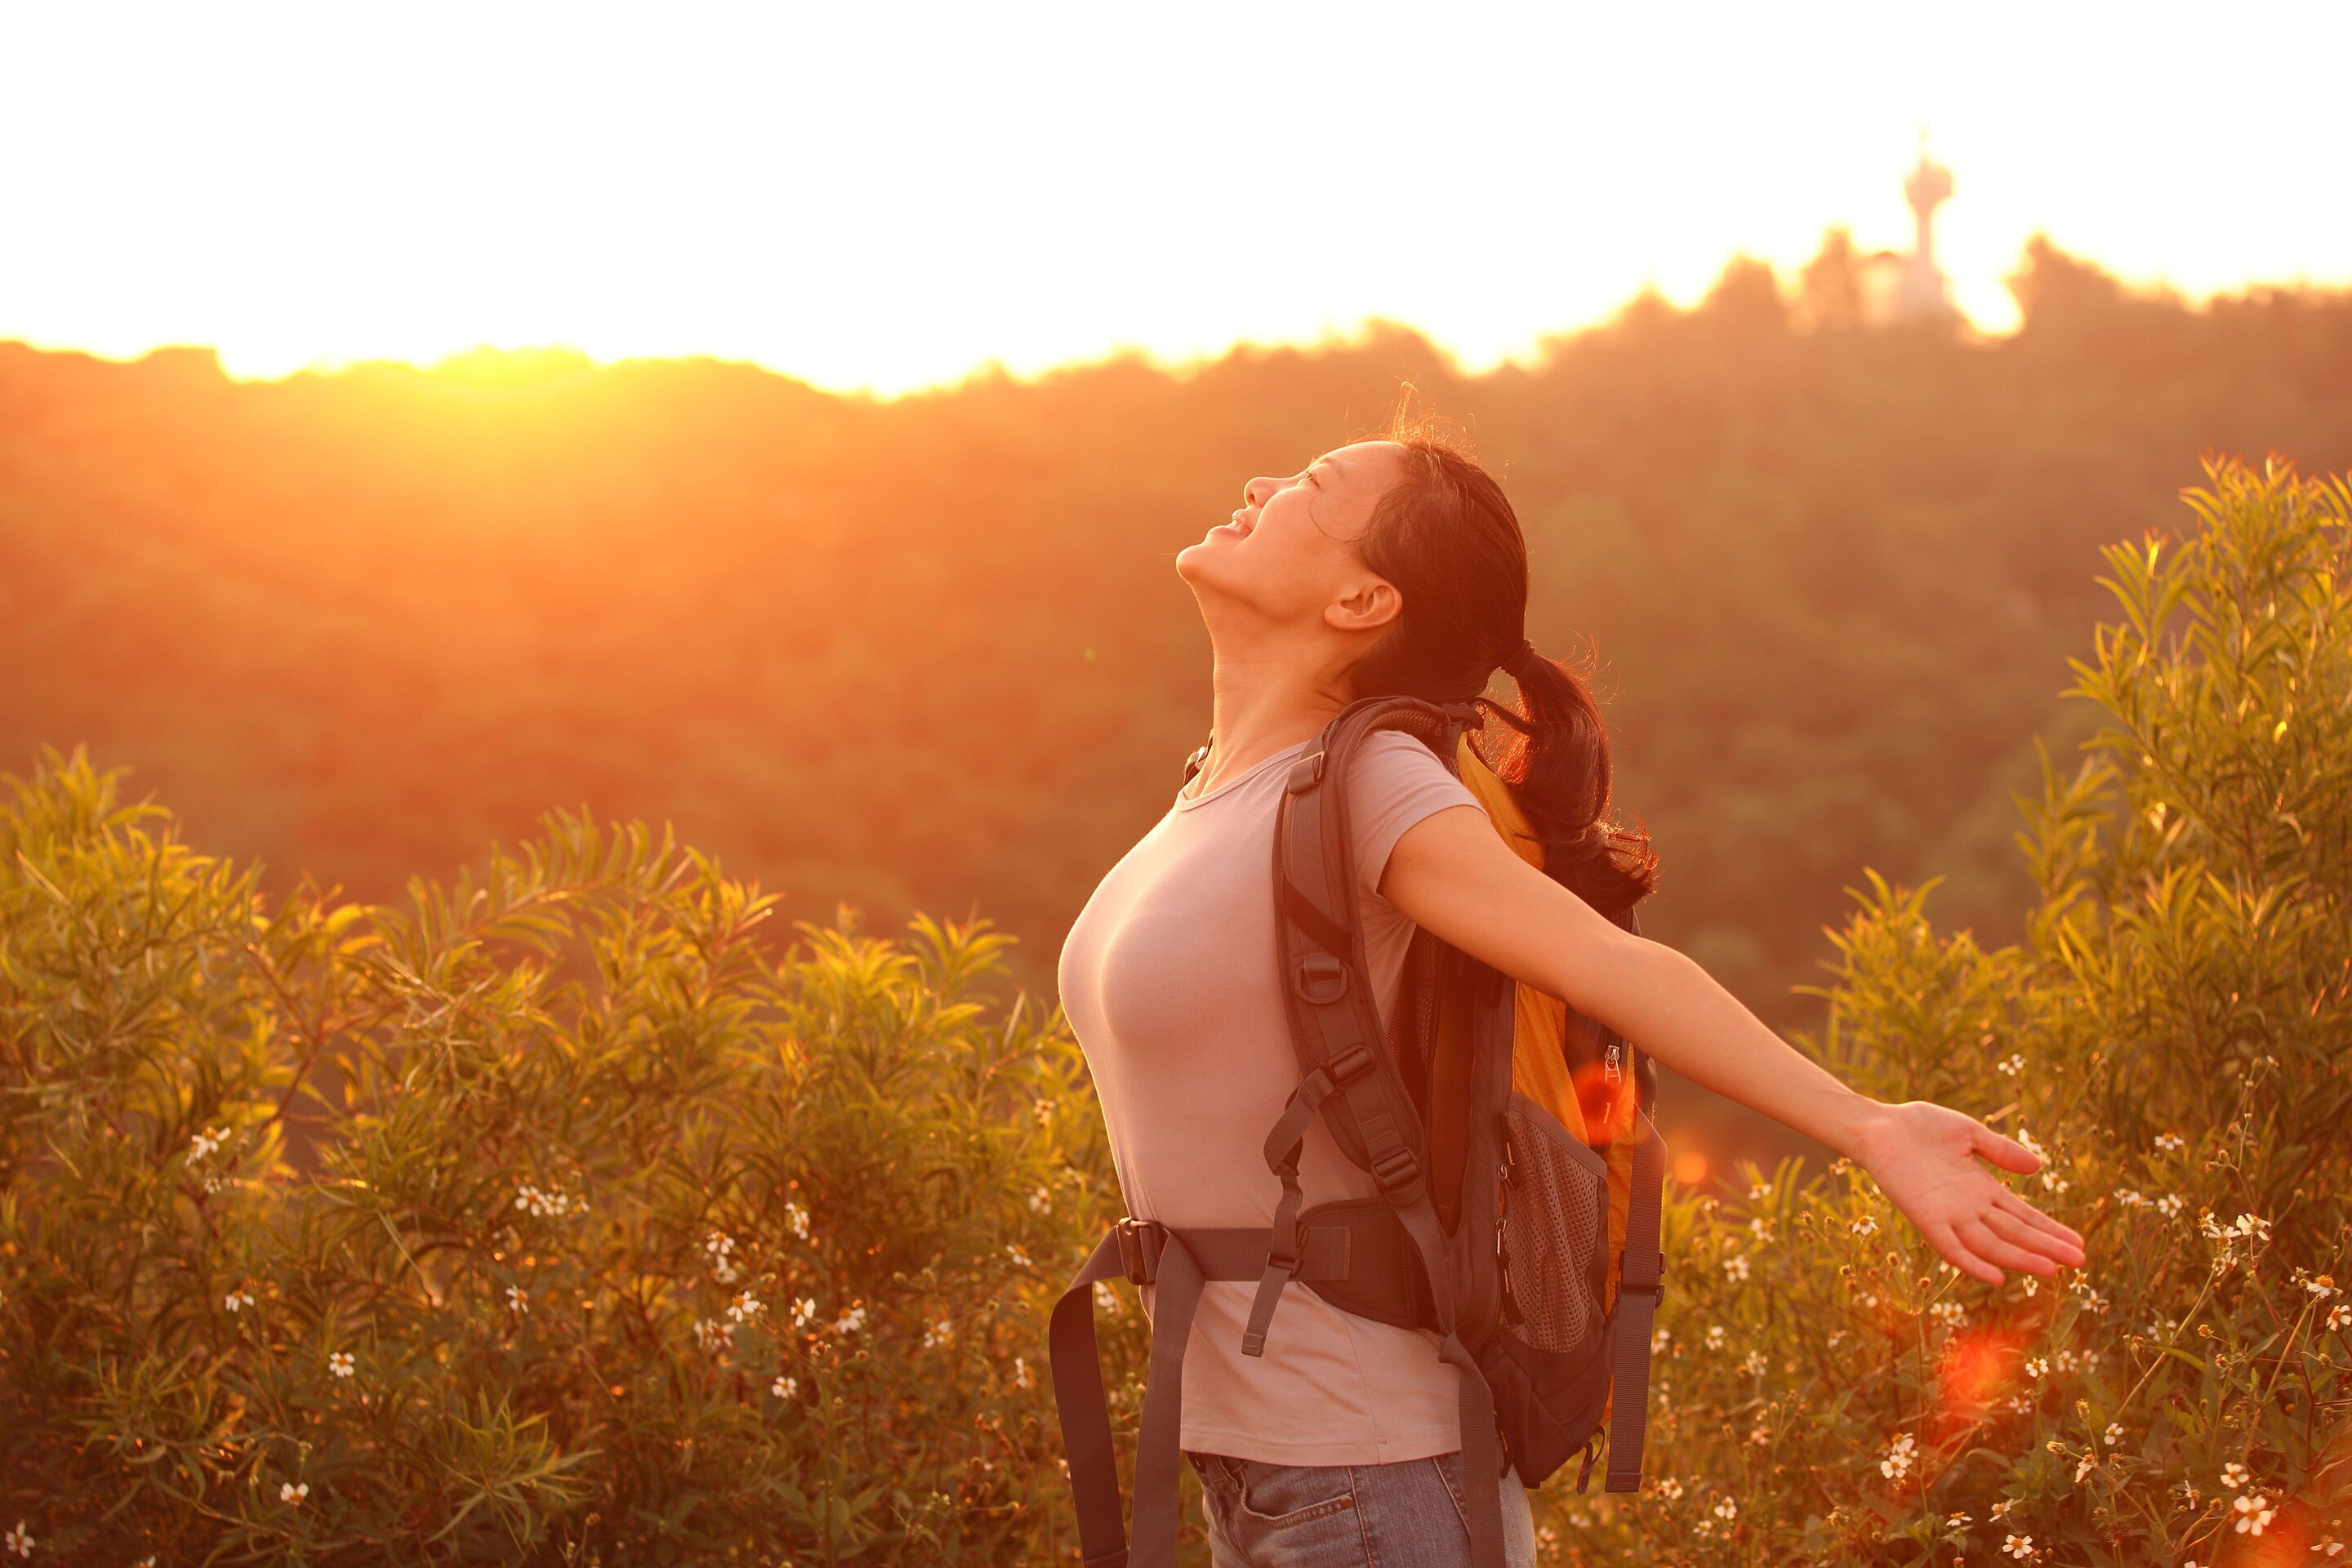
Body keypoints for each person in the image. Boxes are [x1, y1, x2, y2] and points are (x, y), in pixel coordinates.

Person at [1053, 411, 2085, 1568]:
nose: (1258, 480)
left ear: (1363, 602)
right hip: (1259, 1473)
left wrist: (1868, 1125)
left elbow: (1613, 965)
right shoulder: (1211, 793)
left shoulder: (1373, 784)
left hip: (1374, 1480)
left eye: (1310, 484)